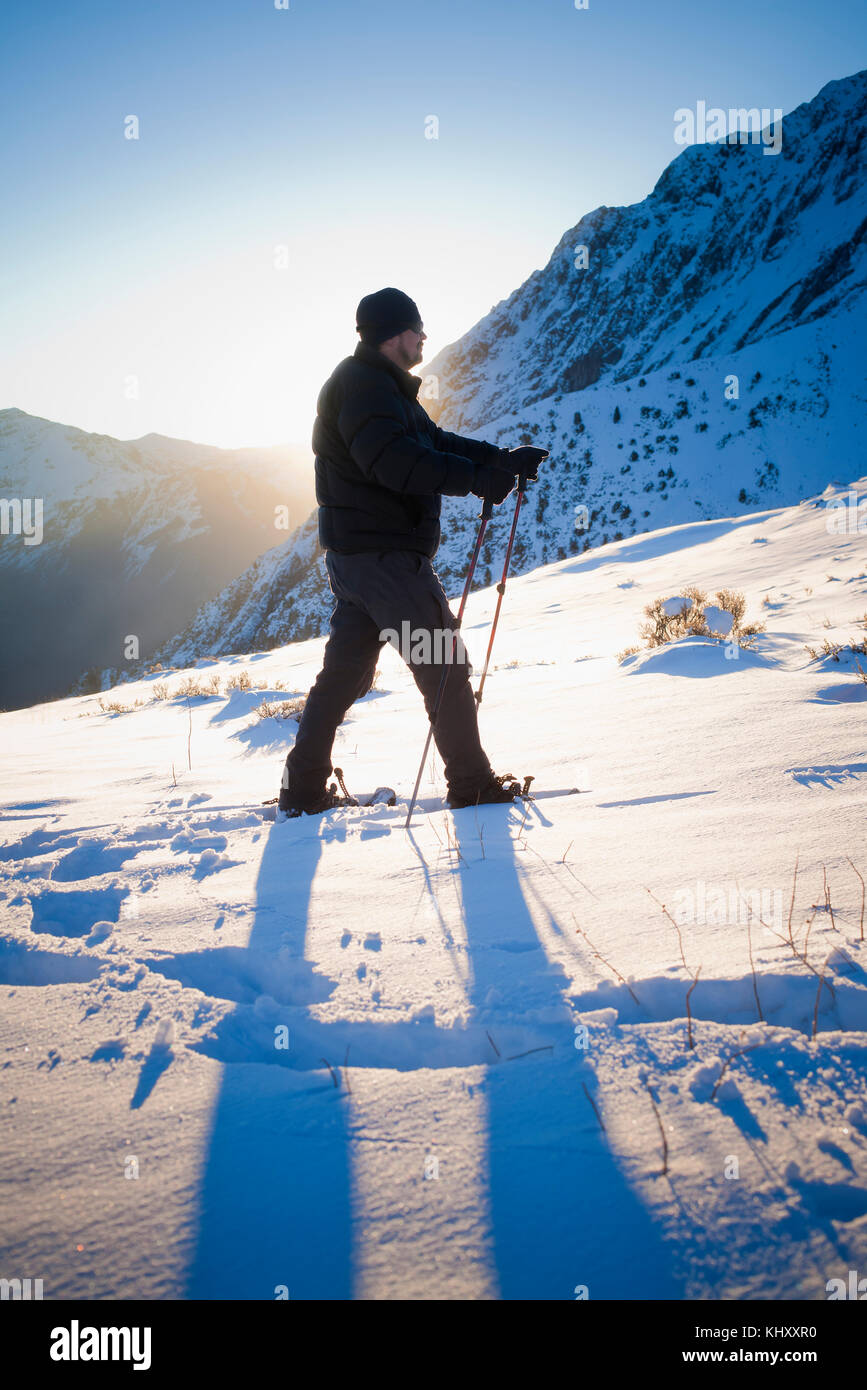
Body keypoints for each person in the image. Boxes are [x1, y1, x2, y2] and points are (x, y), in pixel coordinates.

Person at [277, 287, 548, 818]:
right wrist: (475, 481)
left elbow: (432, 441)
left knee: (344, 676)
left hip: (360, 561)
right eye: (417, 327)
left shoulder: (378, 387)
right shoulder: (363, 389)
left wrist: (500, 461)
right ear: (392, 334)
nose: (425, 335)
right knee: (441, 660)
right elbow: (396, 462)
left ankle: (302, 788)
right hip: (384, 560)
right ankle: (470, 784)